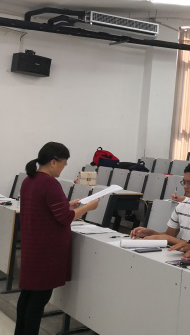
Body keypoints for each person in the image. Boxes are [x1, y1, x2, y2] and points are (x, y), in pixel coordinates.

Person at [16, 142, 99, 335]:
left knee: (27, 295)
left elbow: (43, 207)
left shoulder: (29, 180)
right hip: (46, 251)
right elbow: (65, 218)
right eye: (63, 163)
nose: (63, 168)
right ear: (53, 162)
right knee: (38, 300)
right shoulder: (50, 183)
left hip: (33, 247)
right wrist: (88, 207)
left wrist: (67, 204)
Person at [131, 161, 190, 243]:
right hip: (181, 251)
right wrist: (150, 233)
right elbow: (169, 235)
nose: (185, 186)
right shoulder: (183, 204)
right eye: (184, 182)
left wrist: (166, 238)